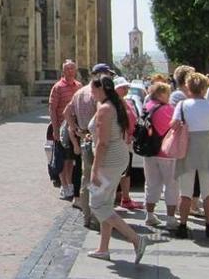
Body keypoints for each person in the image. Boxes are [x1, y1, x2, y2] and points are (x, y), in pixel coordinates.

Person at [86, 76, 149, 263]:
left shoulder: (106, 109)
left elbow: (103, 143)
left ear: (101, 89)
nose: (91, 93)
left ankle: (136, 239)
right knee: (106, 204)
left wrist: (95, 170)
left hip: (109, 162)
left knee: (96, 204)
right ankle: (103, 248)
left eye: (93, 90)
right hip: (117, 158)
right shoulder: (112, 105)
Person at [170, 72, 209, 239]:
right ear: (204, 88)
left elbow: (173, 125)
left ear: (188, 87)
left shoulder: (182, 105)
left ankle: (183, 225)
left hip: (187, 149)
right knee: (208, 192)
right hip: (207, 149)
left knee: (185, 192)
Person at [64, 63, 110, 228]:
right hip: (96, 140)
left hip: (84, 139)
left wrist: (77, 130)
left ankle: (86, 216)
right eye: (106, 74)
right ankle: (98, 216)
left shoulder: (79, 92)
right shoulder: (97, 95)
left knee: (86, 178)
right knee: (98, 179)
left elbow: (66, 113)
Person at [141, 82, 180, 230]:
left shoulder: (147, 106)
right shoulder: (169, 109)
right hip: (166, 152)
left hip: (149, 150)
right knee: (171, 184)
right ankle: (170, 219)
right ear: (161, 94)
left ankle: (149, 215)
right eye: (167, 93)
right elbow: (176, 128)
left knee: (151, 184)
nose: (169, 96)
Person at [49, 60, 82, 200]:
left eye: (72, 68)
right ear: (63, 71)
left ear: (75, 70)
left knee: (70, 159)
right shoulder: (57, 87)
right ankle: (64, 185)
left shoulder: (79, 86)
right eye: (67, 69)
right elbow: (52, 109)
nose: (70, 71)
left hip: (74, 128)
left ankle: (68, 184)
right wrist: (55, 130)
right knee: (62, 159)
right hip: (62, 129)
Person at [113, 76, 142, 211]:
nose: (126, 90)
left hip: (127, 141)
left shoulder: (126, 102)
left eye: (127, 87)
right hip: (119, 141)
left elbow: (134, 119)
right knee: (120, 171)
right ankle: (119, 198)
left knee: (126, 171)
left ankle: (125, 197)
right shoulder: (113, 104)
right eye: (123, 88)